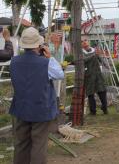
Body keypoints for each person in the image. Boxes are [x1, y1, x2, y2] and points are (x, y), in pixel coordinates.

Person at [9, 27, 64, 164]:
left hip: (21, 108)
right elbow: (59, 74)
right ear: (38, 45)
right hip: (40, 109)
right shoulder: (46, 63)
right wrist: (49, 57)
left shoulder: (14, 61)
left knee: (21, 144)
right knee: (38, 145)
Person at [82, 39, 108, 115]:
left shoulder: (94, 50)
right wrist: (94, 55)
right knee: (91, 94)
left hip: (98, 74)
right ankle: (93, 111)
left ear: (88, 42)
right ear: (81, 44)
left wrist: (106, 65)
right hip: (89, 75)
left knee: (102, 91)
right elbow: (84, 60)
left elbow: (100, 59)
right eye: (83, 41)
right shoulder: (82, 52)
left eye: (86, 40)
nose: (84, 42)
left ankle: (104, 108)